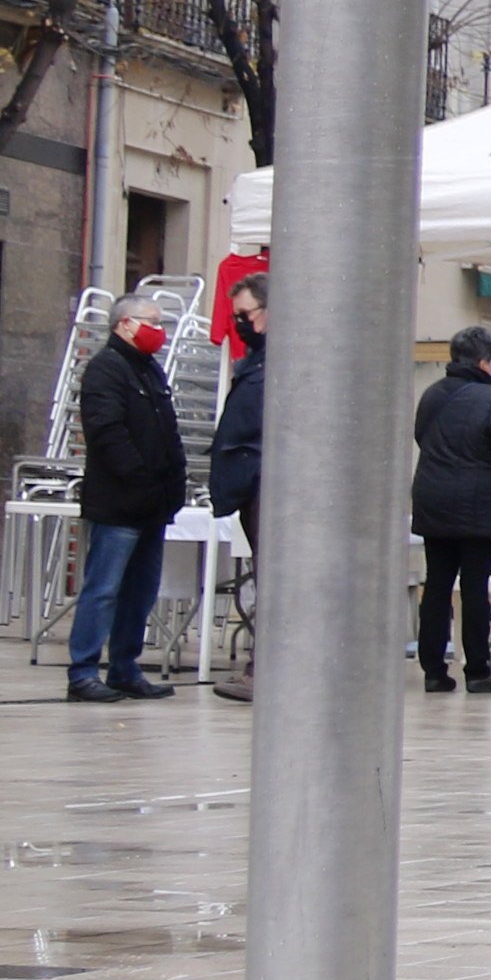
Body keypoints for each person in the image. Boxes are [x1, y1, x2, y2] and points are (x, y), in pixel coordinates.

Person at [65, 290, 184, 704]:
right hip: (119, 504)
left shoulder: (149, 371)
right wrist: (139, 479)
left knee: (140, 591)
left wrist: (171, 488)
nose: (159, 330)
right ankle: (83, 672)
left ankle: (124, 668)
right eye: (151, 322)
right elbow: (107, 433)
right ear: (125, 325)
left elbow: (168, 434)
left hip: (152, 505)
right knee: (104, 589)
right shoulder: (106, 369)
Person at [413, 325, 491, 694]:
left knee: (437, 583)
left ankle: (433, 668)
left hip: (432, 498)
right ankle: (478, 669)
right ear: (483, 361)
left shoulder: (432, 394)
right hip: (478, 504)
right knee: (475, 585)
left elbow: (421, 436)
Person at [203, 275, 265, 699]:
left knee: (276, 580)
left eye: (246, 315)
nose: (241, 323)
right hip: (254, 483)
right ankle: (260, 669)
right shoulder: (257, 359)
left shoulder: (282, 359)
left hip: (268, 483)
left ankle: (263, 671)